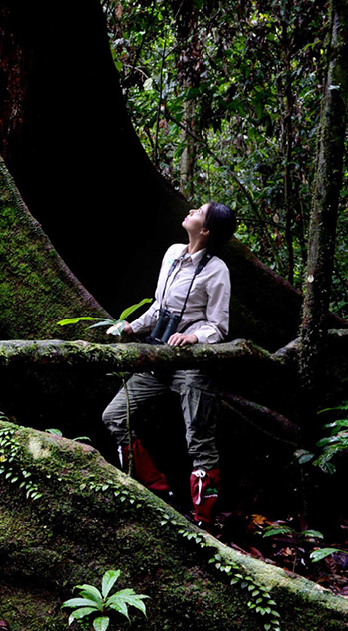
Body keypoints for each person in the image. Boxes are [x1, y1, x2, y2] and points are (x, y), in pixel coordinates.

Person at [101, 202, 236, 524]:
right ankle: (156, 490)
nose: (191, 211)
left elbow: (218, 326)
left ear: (206, 230)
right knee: (114, 416)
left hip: (192, 364)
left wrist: (194, 337)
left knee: (199, 439)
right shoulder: (173, 253)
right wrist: (131, 326)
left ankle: (203, 519)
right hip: (159, 356)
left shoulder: (217, 270)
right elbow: (159, 307)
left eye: (199, 212)